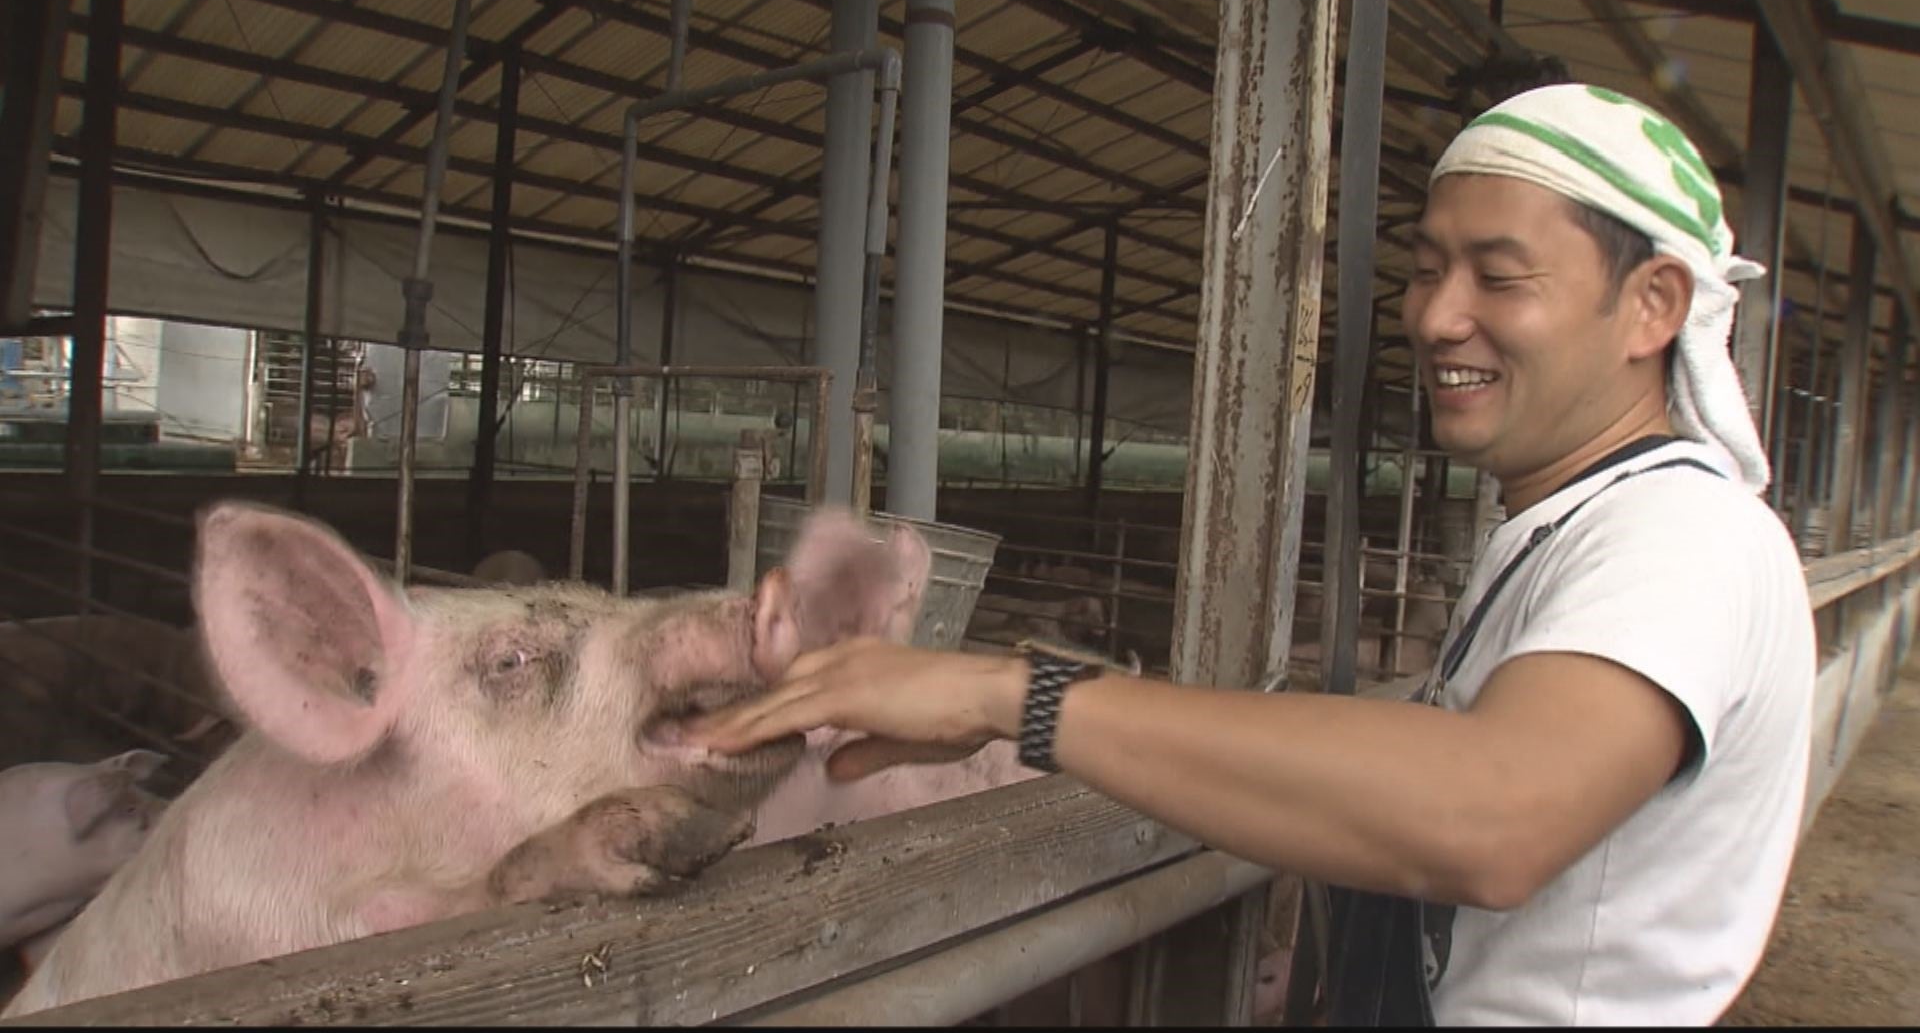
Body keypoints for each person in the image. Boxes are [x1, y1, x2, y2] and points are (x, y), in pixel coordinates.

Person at [689, 83, 1817, 1026]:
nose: (1436, 316)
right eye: (1428, 268)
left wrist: (1014, 695)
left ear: (1652, 305)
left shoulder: (1685, 535)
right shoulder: (1568, 532)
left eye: (1499, 275)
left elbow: (1494, 814)